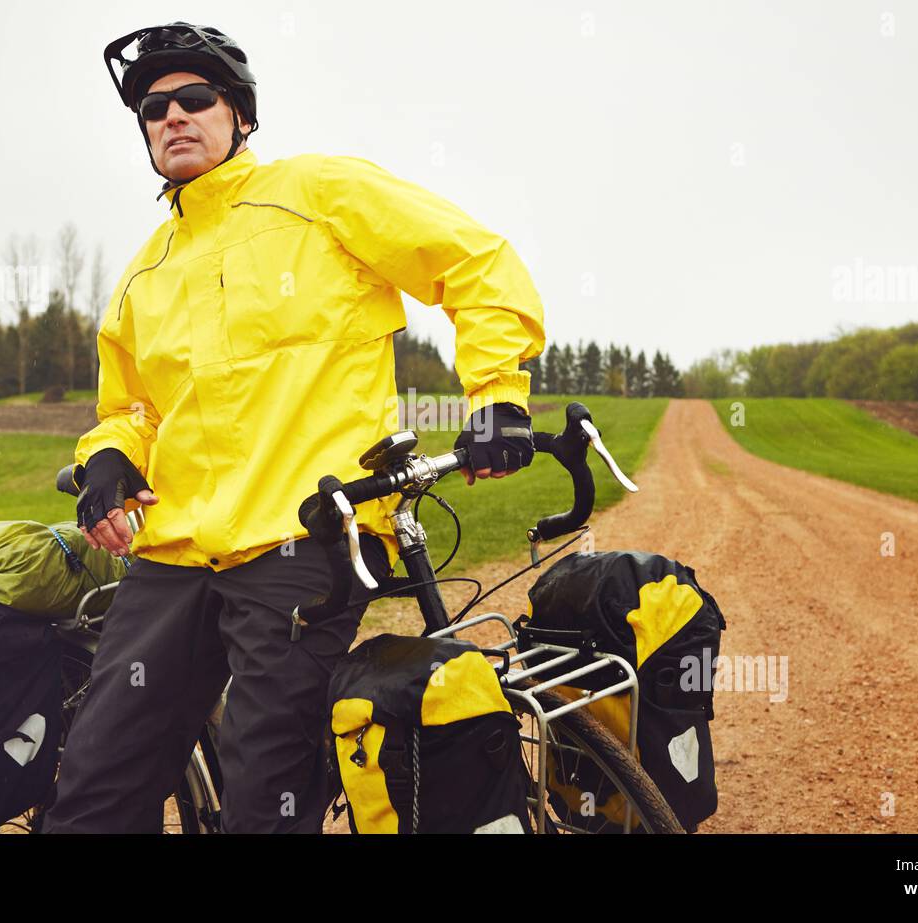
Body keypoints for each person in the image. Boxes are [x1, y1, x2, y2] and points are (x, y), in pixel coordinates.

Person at [43, 22, 545, 833]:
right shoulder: (144, 273)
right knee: (96, 783)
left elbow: (473, 260)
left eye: (194, 98)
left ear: (238, 114)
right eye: (152, 107)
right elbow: (131, 409)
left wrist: (496, 393)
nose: (171, 115)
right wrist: (107, 455)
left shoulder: (318, 193)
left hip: (308, 535)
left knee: (263, 784)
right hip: (176, 555)